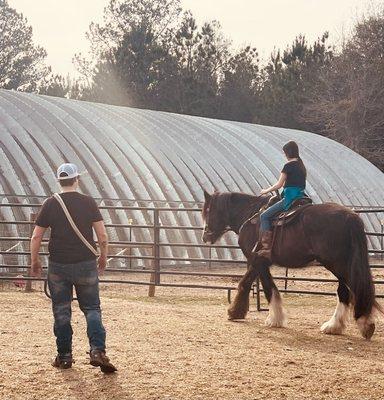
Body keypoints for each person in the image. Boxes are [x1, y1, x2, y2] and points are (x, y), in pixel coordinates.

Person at [30, 163, 117, 373]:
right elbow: (103, 235)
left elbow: (36, 236)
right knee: (92, 309)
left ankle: (65, 356)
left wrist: (35, 260)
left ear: (59, 181)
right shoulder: (88, 202)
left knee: (61, 311)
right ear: (77, 179)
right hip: (86, 263)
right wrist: (103, 256)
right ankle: (97, 351)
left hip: (58, 265)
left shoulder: (50, 203)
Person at [255, 141, 307, 259]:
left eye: (284, 153)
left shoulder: (288, 166)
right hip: (301, 196)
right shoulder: (301, 166)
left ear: (288, 153)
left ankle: (266, 248)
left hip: (289, 197)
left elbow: (279, 185)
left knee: (264, 216)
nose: (284, 155)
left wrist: (265, 191)